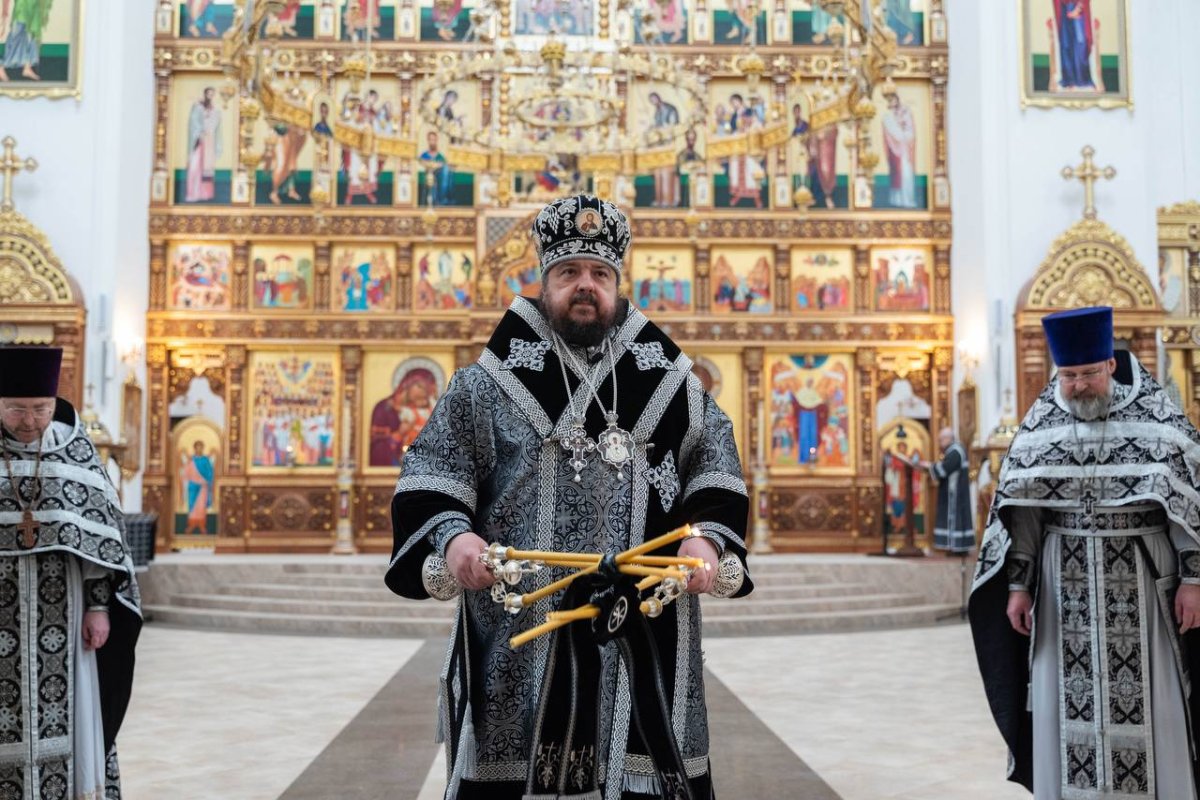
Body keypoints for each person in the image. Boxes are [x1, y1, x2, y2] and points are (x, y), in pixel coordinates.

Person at [386, 194, 753, 800]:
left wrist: (707, 540)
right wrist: (454, 540)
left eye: (600, 273)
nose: (586, 285)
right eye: (569, 272)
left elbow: (716, 464)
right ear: (544, 280)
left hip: (642, 628)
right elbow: (430, 473)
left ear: (616, 284)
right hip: (519, 631)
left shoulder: (672, 385)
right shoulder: (484, 385)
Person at [969, 306, 1200, 799]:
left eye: (1089, 374)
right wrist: (1018, 585)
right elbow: (1024, 511)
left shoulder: (1157, 416)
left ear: (1110, 364)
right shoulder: (1042, 421)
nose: (1078, 386)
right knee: (1065, 699)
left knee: (1151, 697)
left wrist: (1194, 579)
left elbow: (1188, 504)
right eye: (1069, 376)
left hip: (1141, 578)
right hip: (1064, 585)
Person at [0, 346, 141, 798]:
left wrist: (99, 608)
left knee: (68, 714)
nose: (29, 421)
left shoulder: (73, 450)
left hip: (62, 617)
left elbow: (103, 541)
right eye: (16, 409)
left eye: (40, 409)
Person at [914, 427, 973, 553]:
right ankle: (955, 546)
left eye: (941, 440)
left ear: (948, 438)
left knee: (956, 518)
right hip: (955, 492)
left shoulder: (956, 451)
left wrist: (930, 466)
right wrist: (931, 466)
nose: (940, 443)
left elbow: (945, 469)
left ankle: (957, 547)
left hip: (956, 494)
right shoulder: (954, 450)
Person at [185, 86, 223, 203]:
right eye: (208, 94)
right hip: (200, 140)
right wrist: (200, 132)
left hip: (209, 141)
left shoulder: (215, 109)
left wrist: (210, 131)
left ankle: (205, 194)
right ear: (205, 94)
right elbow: (193, 122)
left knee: (207, 168)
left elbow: (216, 126)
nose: (210, 96)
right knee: (195, 166)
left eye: (212, 94)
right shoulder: (198, 106)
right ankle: (194, 193)